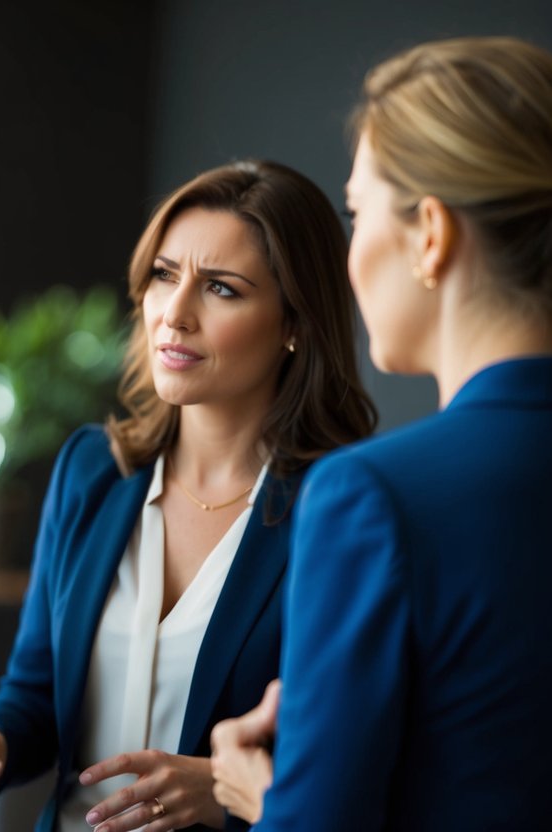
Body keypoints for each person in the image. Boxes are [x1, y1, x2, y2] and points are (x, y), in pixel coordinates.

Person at [0, 159, 376, 832]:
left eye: (221, 288)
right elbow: (35, 694)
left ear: (293, 323)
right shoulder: (90, 472)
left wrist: (223, 794)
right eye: (164, 274)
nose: (174, 313)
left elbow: (353, 753)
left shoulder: (345, 509)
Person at [209, 36, 552, 829]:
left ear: (429, 234)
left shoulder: (374, 497)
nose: (350, 250)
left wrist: (260, 794)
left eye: (357, 213)